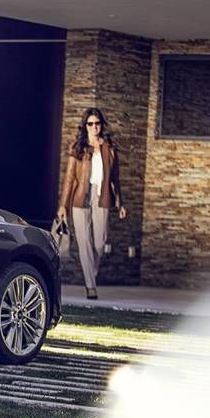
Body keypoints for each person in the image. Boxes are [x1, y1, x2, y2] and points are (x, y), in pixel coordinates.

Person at [57, 108, 127, 300]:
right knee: (84, 242)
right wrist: (63, 205)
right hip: (80, 198)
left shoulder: (109, 148)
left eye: (97, 123)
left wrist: (120, 203)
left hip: (102, 196)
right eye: (90, 124)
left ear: (101, 125)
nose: (94, 127)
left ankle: (90, 275)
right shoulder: (78, 147)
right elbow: (69, 178)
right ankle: (90, 286)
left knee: (100, 243)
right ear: (85, 126)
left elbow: (115, 179)